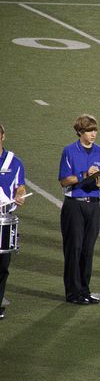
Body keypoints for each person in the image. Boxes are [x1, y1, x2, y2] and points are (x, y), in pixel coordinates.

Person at [58, 115, 100, 305]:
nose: (93, 134)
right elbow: (64, 180)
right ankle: (73, 293)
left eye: (95, 130)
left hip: (94, 205)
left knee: (88, 249)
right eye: (89, 130)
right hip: (74, 205)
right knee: (75, 248)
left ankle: (85, 290)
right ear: (80, 131)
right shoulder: (69, 151)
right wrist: (84, 175)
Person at [0, 124, 27, 320]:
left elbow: (20, 187)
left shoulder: (14, 162)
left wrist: (20, 195)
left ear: (3, 136)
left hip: (4, 218)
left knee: (2, 266)